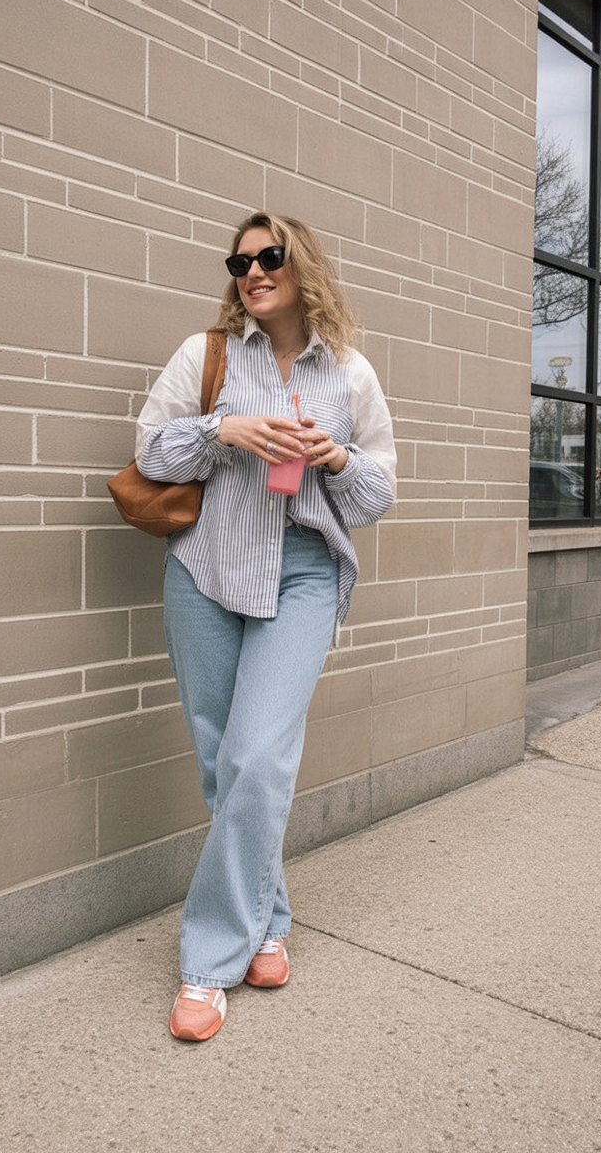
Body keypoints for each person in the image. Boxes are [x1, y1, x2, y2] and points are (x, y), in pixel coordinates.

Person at [135, 212, 397, 1041]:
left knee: (257, 756)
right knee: (225, 763)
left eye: (269, 256)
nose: (253, 271)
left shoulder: (349, 372)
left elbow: (380, 493)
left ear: (301, 264)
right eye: (240, 260)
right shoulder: (204, 355)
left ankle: (208, 965)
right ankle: (270, 919)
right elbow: (148, 452)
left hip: (305, 574)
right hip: (207, 570)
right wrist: (226, 430)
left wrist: (338, 460)